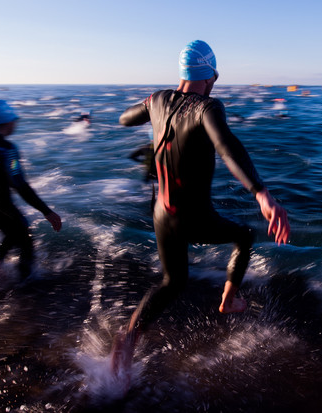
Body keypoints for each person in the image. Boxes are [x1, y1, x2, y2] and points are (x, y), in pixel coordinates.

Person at [112, 41, 290, 376]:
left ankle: (129, 335)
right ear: (209, 75)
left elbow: (124, 119)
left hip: (162, 215)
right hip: (192, 217)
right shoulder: (207, 107)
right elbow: (226, 145)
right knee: (245, 234)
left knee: (172, 281)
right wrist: (261, 193)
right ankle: (229, 299)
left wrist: (152, 122)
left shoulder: (158, 99)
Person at [0, 100, 61, 278]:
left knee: (15, 229)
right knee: (24, 238)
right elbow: (19, 183)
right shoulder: (7, 149)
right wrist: (46, 211)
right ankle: (25, 286)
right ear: (9, 122)